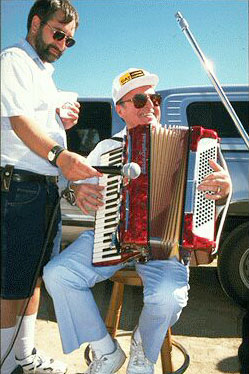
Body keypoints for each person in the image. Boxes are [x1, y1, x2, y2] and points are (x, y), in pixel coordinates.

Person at [43, 68, 232, 374]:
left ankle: (144, 348)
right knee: (57, 275)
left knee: (168, 299)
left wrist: (223, 189)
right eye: (140, 99)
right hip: (111, 238)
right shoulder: (107, 149)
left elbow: (218, 190)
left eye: (154, 98)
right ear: (120, 109)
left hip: (165, 247)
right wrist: (77, 191)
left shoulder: (191, 146)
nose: (150, 106)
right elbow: (73, 187)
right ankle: (106, 350)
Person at [0, 2, 102, 374]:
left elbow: (37, 117)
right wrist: (61, 155)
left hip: (44, 188)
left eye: (69, 40)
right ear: (35, 22)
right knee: (11, 283)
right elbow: (19, 120)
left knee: (35, 276)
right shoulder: (13, 59)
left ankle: (23, 356)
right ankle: (5, 363)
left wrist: (60, 117)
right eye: (57, 33)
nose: (62, 43)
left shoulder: (44, 72)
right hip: (19, 188)